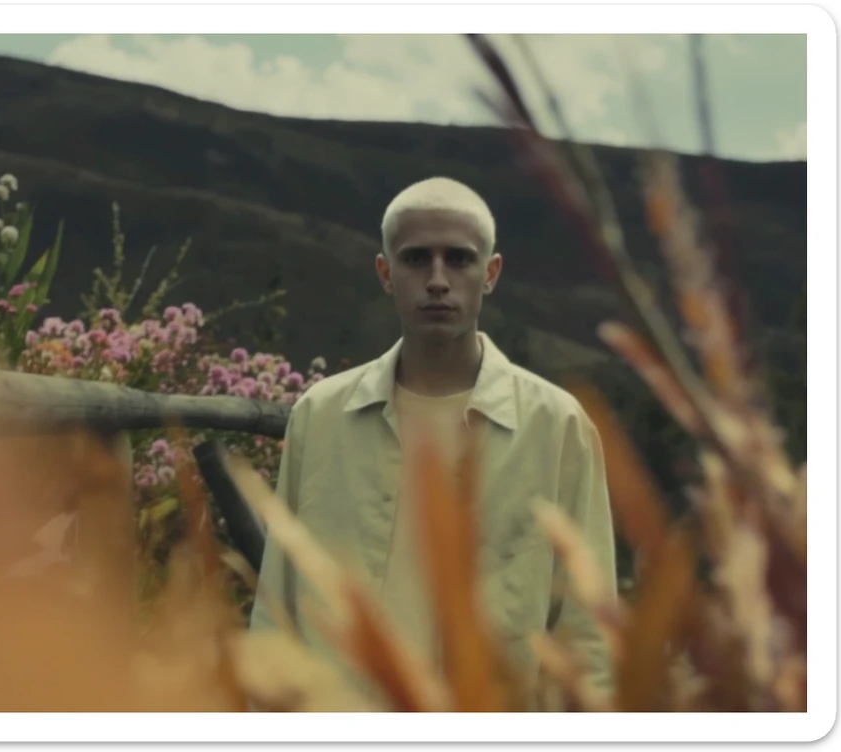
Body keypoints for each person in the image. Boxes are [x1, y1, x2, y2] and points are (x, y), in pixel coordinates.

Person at [248, 176, 617, 706]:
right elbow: (276, 602)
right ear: (385, 272)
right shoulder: (321, 415)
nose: (438, 279)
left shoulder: (557, 426)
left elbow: (587, 629)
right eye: (417, 259)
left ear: (490, 274)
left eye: (460, 260)